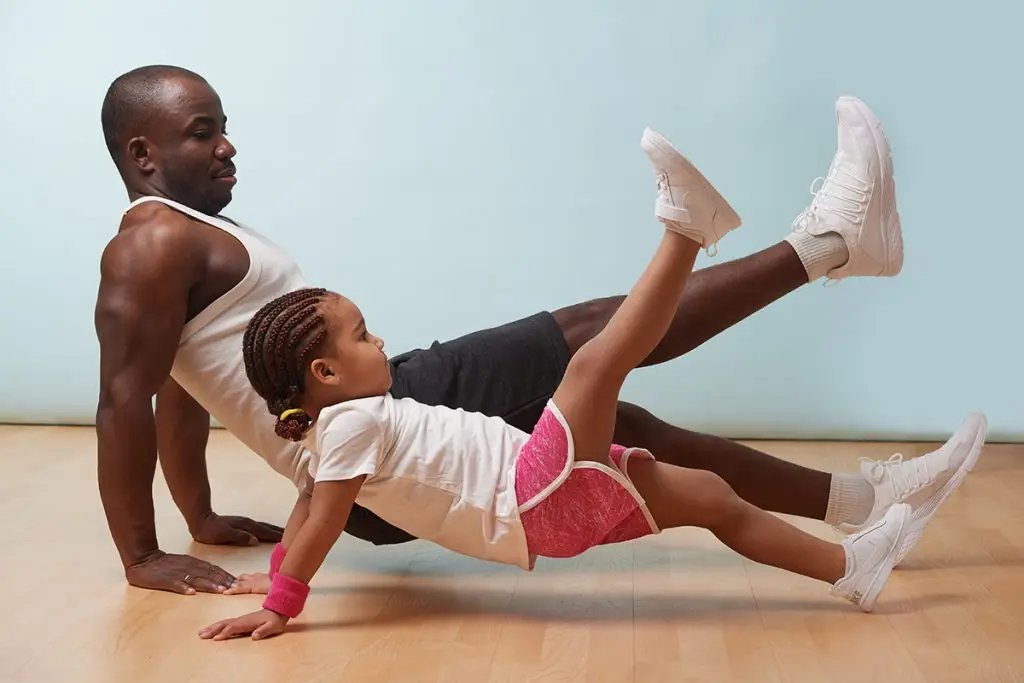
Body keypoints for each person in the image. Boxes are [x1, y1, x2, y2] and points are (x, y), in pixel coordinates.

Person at [94, 64, 986, 598]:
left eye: (224, 130)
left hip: (376, 449)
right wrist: (142, 553)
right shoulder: (153, 242)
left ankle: (864, 508)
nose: (227, 147)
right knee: (593, 338)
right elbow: (124, 401)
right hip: (384, 426)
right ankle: (830, 242)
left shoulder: (182, 238)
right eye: (202, 133)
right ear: (143, 154)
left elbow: (179, 389)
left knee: (629, 436)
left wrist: (201, 513)